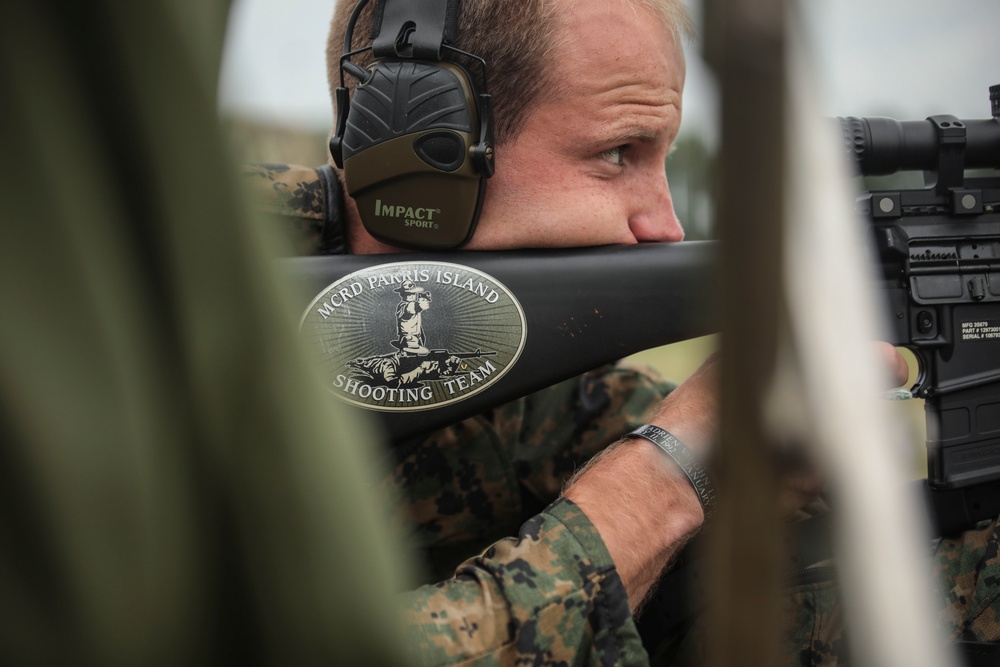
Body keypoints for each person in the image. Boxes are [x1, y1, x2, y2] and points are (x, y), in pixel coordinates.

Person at [246, 0, 868, 663]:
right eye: (618, 152)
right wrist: (659, 484)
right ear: (422, 155)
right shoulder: (176, 287)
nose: (668, 225)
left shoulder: (518, 365)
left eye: (662, 156)